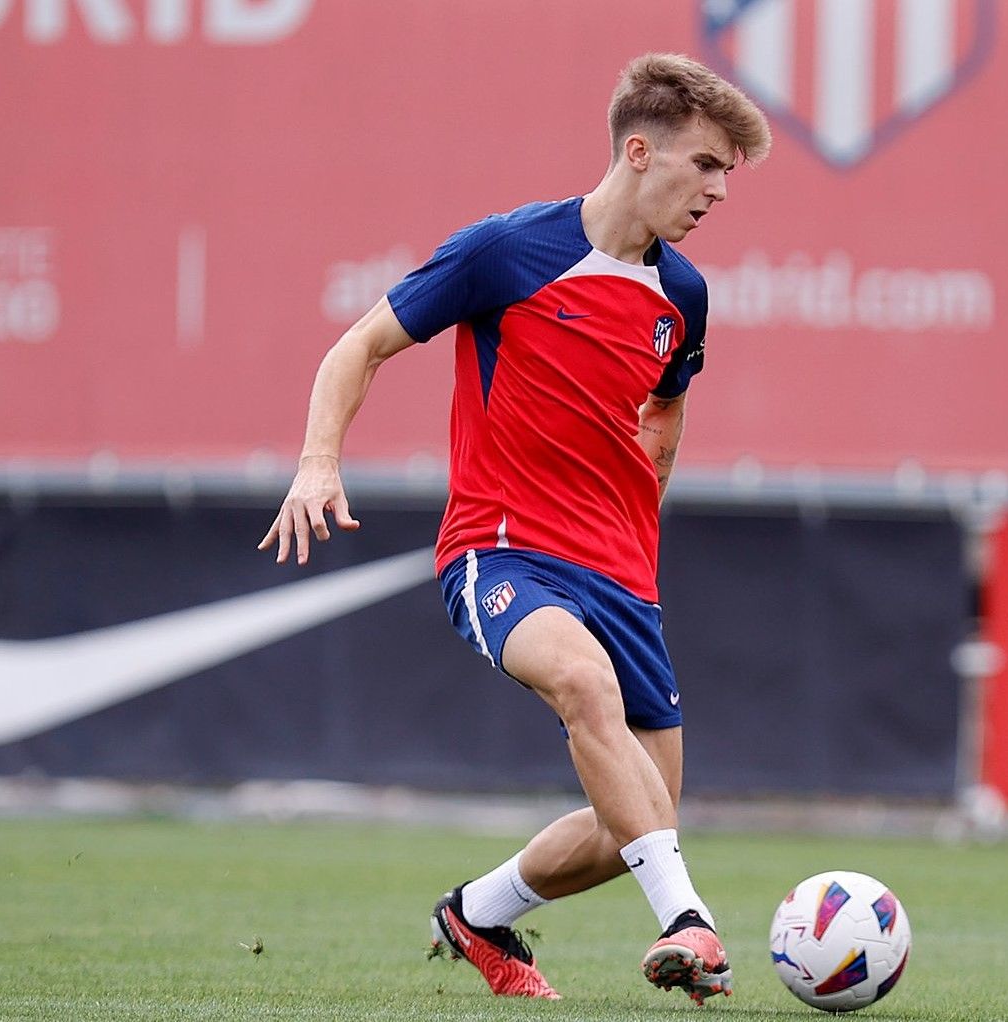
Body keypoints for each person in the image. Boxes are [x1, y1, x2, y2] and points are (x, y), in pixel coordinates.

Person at [259, 52, 770, 1005]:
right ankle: (688, 922)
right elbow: (358, 345)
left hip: (620, 572)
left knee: (641, 818)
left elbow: (665, 406)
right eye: (704, 165)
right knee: (582, 687)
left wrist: (640, 501)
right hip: (501, 551)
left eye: (726, 175)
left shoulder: (682, 297)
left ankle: (477, 914)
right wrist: (318, 461)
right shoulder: (506, 251)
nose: (717, 191)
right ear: (637, 150)